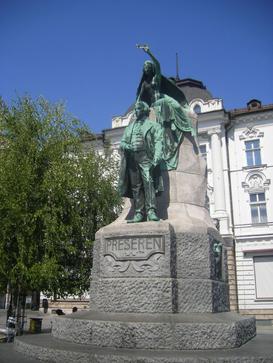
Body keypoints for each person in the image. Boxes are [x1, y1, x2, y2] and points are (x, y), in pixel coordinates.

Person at [136, 45, 196, 170]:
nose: (146, 69)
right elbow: (139, 98)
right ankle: (172, 126)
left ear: (151, 69)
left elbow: (158, 65)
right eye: (145, 67)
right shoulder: (144, 84)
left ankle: (188, 127)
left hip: (162, 97)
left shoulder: (155, 78)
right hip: (155, 103)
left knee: (176, 105)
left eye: (148, 67)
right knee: (164, 105)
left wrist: (149, 53)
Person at [119, 101, 163, 223]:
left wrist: (156, 157)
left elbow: (159, 142)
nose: (135, 111)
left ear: (143, 110)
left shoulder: (154, 126)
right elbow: (122, 143)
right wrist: (127, 147)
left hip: (146, 157)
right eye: (135, 109)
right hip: (132, 159)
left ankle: (151, 211)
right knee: (136, 186)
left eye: (138, 109)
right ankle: (139, 212)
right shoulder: (130, 127)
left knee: (148, 182)